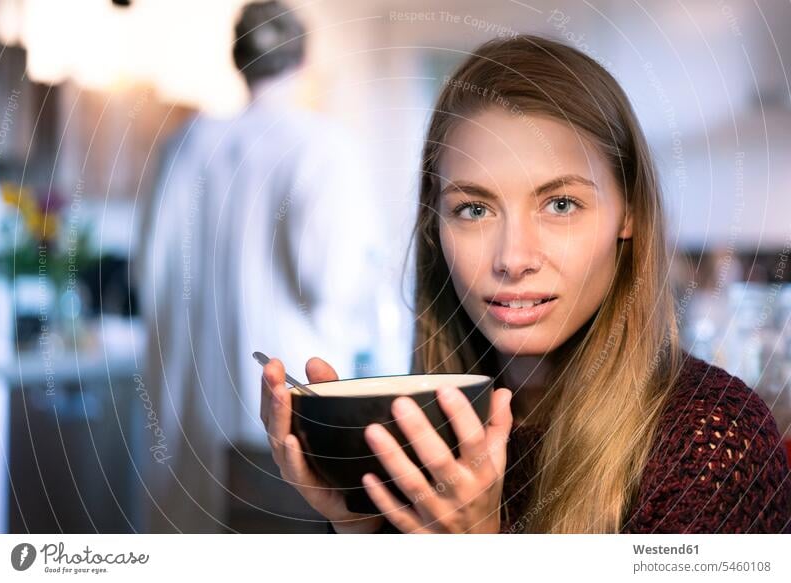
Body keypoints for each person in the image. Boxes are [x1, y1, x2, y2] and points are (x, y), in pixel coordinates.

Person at [260, 35, 791, 534]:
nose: (513, 259)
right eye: (473, 209)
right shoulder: (424, 439)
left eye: (560, 204)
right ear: (434, 224)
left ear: (627, 211)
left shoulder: (717, 446)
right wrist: (366, 530)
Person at [138, 1, 383, 532]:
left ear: (238, 59)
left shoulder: (183, 144)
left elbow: (148, 275)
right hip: (281, 420)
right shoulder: (323, 146)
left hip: (188, 414)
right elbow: (331, 283)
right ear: (302, 59)